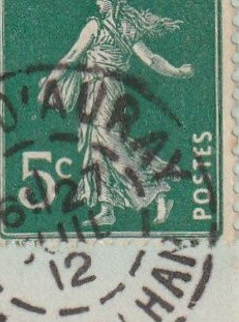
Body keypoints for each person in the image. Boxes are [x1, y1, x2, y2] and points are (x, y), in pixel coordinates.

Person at [40, 0, 194, 226]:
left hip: (104, 92)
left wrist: (48, 85)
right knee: (97, 148)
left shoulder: (97, 26)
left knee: (110, 145)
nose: (97, 2)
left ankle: (158, 191)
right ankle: (107, 208)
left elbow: (71, 56)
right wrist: (177, 72)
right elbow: (152, 60)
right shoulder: (124, 28)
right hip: (97, 92)